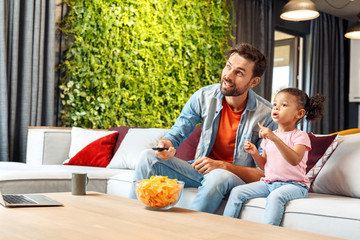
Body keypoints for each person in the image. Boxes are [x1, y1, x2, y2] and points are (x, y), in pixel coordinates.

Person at [129, 43, 276, 213]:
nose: (228, 75)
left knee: (218, 175)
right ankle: (131, 221)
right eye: (228, 66)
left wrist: (222, 166)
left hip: (233, 177)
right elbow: (177, 133)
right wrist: (166, 143)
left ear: (254, 82)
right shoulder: (204, 96)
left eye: (239, 73)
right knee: (148, 157)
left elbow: (264, 173)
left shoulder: (267, 115)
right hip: (199, 171)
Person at [223, 88, 326, 225]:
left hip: (295, 185)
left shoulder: (300, 136)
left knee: (275, 197)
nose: (276, 107)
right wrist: (254, 153)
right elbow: (264, 165)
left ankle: (268, 234)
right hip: (269, 182)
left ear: (299, 113)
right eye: (275, 104)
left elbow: (294, 160)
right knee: (237, 192)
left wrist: (274, 138)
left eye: (283, 105)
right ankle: (225, 228)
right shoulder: (269, 136)